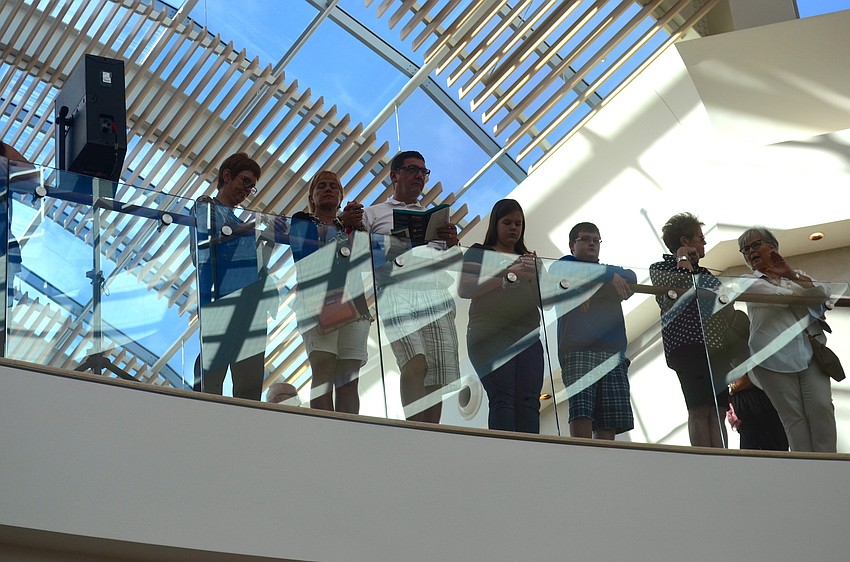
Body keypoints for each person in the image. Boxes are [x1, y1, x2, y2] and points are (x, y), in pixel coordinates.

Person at [362, 150, 461, 424]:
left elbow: (452, 262)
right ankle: (415, 431)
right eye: (412, 169)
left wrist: (453, 244)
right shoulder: (373, 214)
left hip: (435, 293)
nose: (420, 176)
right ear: (395, 175)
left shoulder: (434, 218)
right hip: (395, 290)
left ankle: (430, 434)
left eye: (423, 172)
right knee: (414, 360)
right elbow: (359, 255)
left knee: (438, 373)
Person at [737, 227, 836, 452]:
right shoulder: (745, 280)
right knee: (793, 417)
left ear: (772, 247)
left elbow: (824, 292)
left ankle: (829, 466)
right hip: (772, 359)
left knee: (821, 408)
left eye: (755, 245)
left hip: (810, 352)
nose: (750, 251)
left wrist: (792, 276)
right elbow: (773, 295)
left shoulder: (795, 275)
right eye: (745, 250)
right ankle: (806, 470)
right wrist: (802, 292)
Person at [195, 152, 276, 400]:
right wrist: (251, 230)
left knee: (249, 382)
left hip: (248, 305)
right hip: (220, 299)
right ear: (226, 176)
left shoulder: (239, 221)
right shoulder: (206, 205)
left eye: (251, 186)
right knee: (211, 380)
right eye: (245, 180)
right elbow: (206, 243)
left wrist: (268, 240)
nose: (247, 189)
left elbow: (256, 266)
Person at [459, 199, 543, 433]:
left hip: (527, 334)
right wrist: (509, 273)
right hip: (489, 331)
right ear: (495, 223)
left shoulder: (527, 258)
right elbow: (465, 288)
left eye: (518, 223)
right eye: (507, 222)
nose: (514, 228)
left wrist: (537, 274)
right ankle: (505, 454)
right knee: (502, 397)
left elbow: (544, 301)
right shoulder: (480, 252)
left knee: (529, 401)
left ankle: (529, 454)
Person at [289, 170, 370, 414]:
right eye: (321, 186)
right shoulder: (302, 220)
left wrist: (358, 231)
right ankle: (324, 432)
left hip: (354, 302)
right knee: (323, 370)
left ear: (341, 197)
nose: (328, 189)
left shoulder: (350, 228)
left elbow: (365, 262)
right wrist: (342, 227)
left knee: (349, 379)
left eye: (334, 186)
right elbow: (306, 256)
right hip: (317, 300)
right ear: (312, 197)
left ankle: (347, 436)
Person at [649, 212, 729, 448]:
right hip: (687, 345)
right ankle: (705, 462)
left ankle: (724, 462)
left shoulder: (705, 274)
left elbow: (724, 303)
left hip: (716, 346)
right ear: (684, 241)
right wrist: (683, 261)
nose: (704, 242)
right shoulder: (660, 268)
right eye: (699, 237)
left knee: (718, 410)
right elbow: (678, 295)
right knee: (698, 409)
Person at [553, 222, 635, 440]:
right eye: (586, 239)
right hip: (578, 350)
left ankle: (605, 463)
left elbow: (631, 277)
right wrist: (606, 276)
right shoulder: (565, 266)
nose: (592, 244)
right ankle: (582, 459)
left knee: (608, 419)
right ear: (572, 245)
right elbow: (558, 269)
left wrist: (599, 278)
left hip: (612, 352)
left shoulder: (611, 271)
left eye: (596, 240)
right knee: (581, 411)